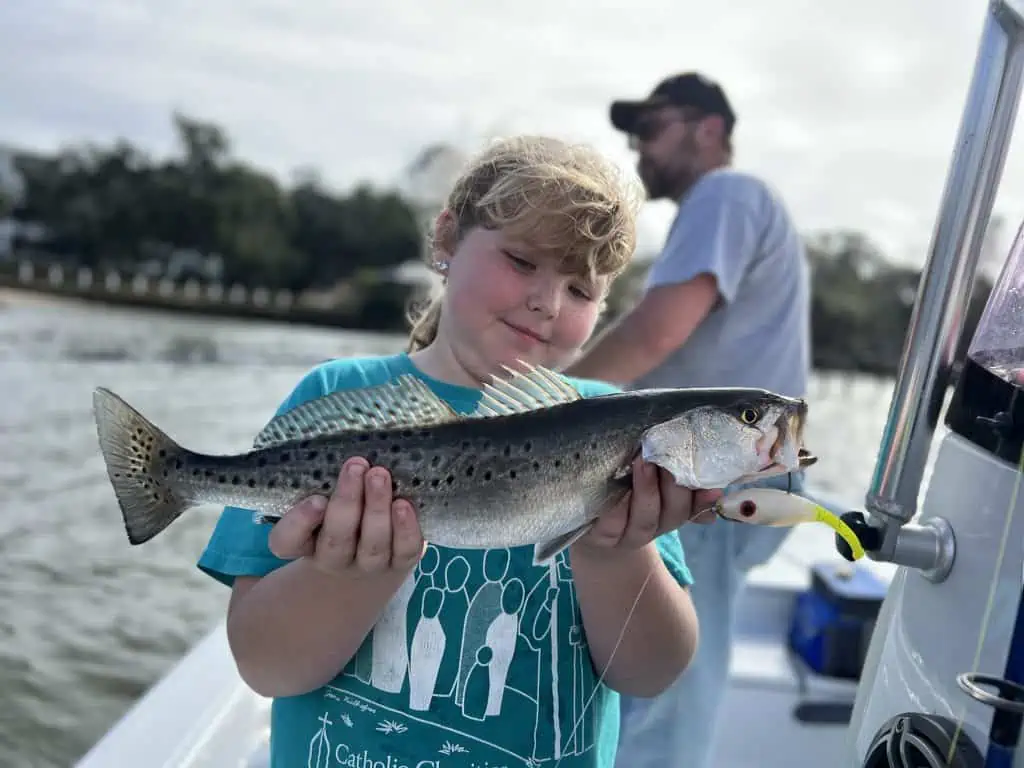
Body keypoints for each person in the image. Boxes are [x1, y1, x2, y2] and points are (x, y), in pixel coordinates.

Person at [196, 135, 723, 768]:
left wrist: (616, 556)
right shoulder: (334, 394)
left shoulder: (614, 428)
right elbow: (266, 666)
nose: (547, 302)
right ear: (446, 239)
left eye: (581, 290)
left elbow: (650, 673)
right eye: (523, 261)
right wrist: (345, 574)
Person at [565, 72, 812, 768]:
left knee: (665, 695)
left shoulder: (725, 194)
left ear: (708, 129)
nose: (637, 148)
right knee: (665, 672)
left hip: (711, 474)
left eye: (650, 128)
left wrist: (547, 404)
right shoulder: (741, 207)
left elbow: (654, 334)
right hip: (732, 471)